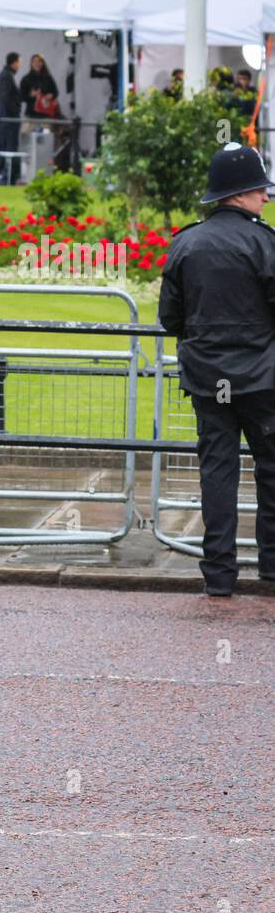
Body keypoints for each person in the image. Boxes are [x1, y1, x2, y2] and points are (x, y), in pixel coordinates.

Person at [158, 143, 275, 596]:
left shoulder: (186, 243)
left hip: (210, 381)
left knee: (218, 473)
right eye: (261, 188)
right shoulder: (265, 243)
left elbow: (171, 317)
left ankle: (220, 575)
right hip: (263, 379)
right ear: (242, 193)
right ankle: (270, 565)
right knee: (270, 470)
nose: (266, 196)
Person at [0, 51, 22, 183]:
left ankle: (8, 175)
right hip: (8, 119)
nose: (20, 64)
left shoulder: (7, 76)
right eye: (19, 62)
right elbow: (3, 98)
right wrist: (14, 110)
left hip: (8, 117)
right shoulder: (5, 77)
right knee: (7, 146)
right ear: (14, 62)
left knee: (8, 146)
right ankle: (4, 176)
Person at [19, 53, 60, 145]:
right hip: (30, 115)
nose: (37, 63)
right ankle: (26, 159)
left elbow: (56, 92)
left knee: (44, 142)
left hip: (45, 116)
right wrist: (31, 95)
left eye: (39, 61)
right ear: (31, 64)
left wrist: (50, 95)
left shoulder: (48, 78)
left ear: (43, 63)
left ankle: (44, 159)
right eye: (35, 62)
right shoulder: (26, 79)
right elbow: (21, 97)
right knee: (25, 140)